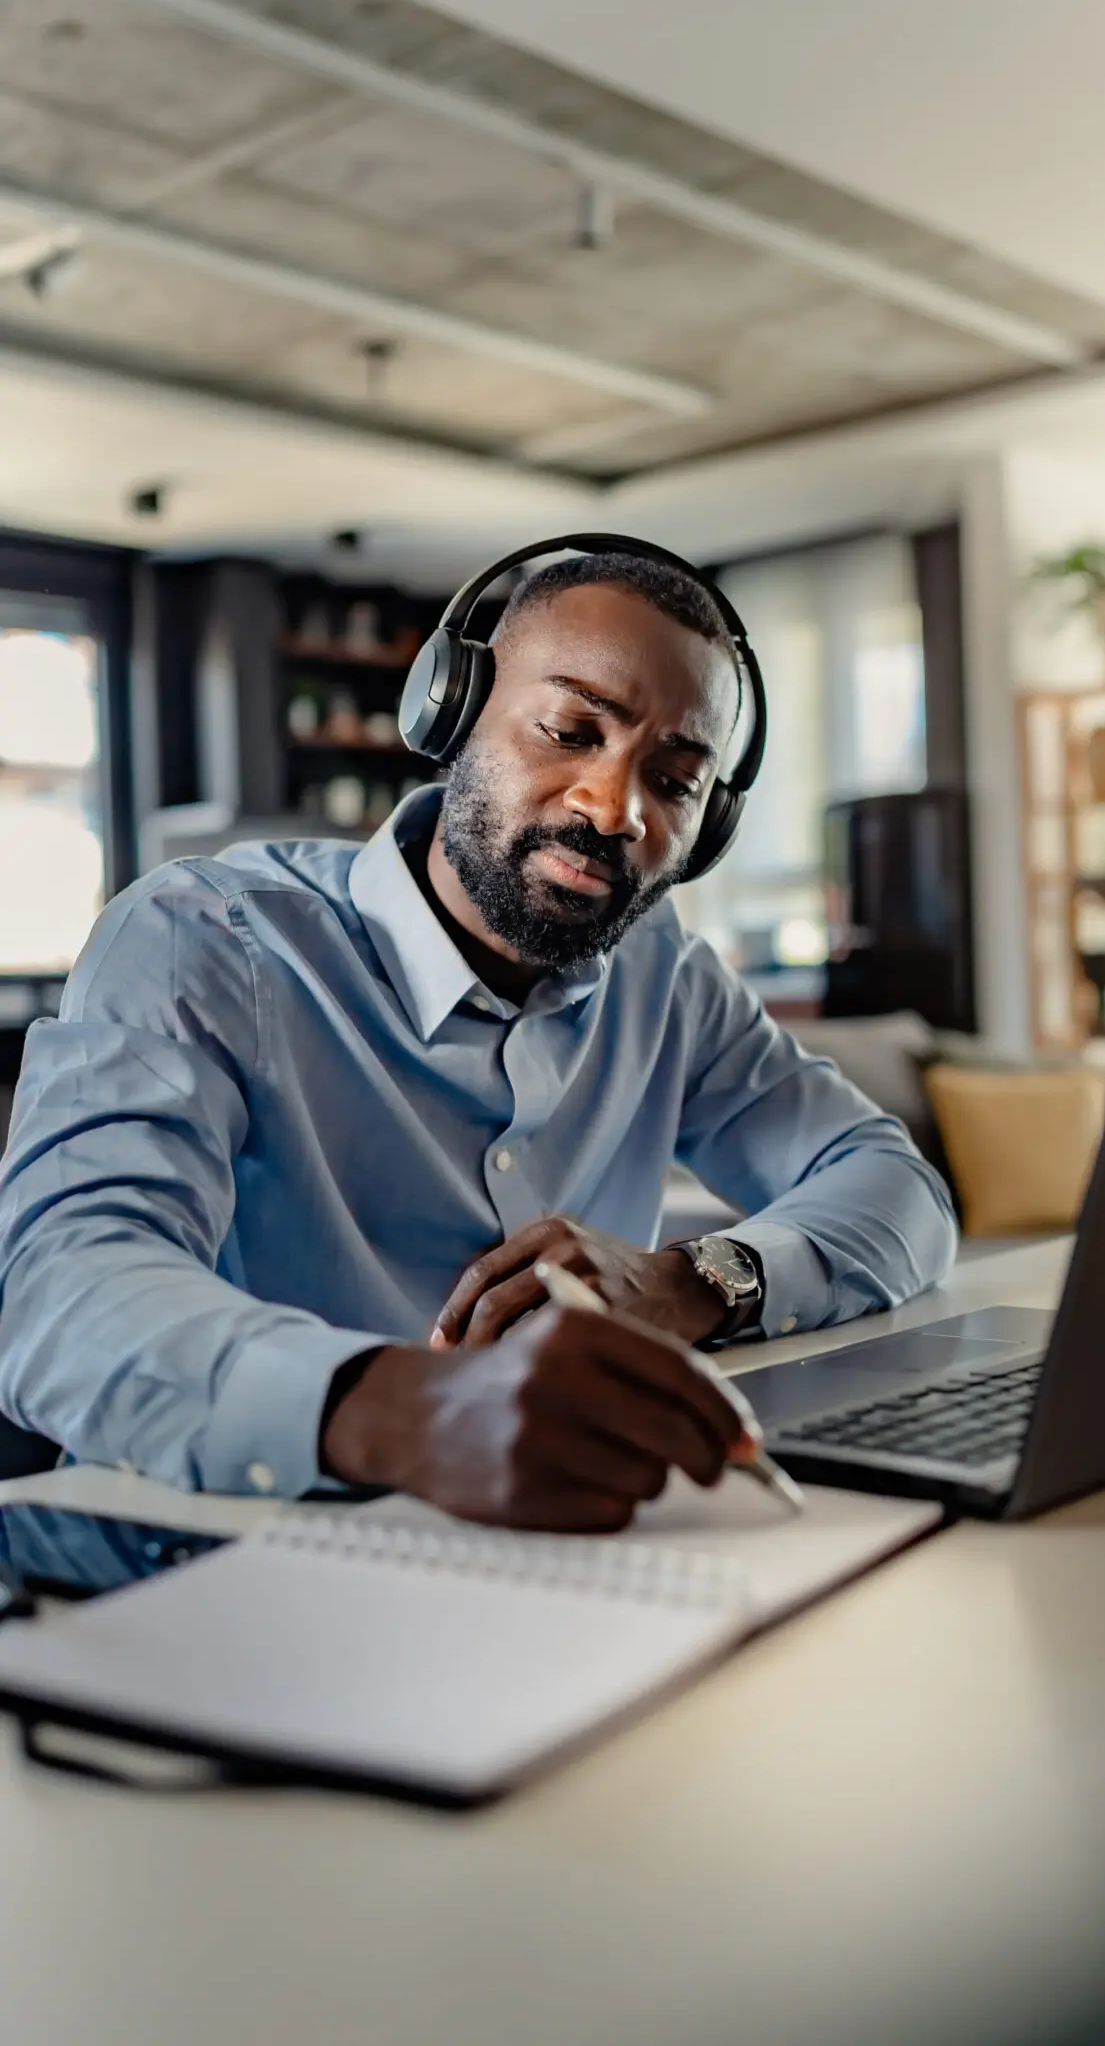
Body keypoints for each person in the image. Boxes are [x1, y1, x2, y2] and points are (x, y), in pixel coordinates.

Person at [0, 549, 956, 1530]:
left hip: (560, 1560)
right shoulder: (205, 940)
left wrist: (691, 1282)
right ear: (452, 714)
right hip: (208, 1565)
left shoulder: (661, 977)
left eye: (673, 779)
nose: (613, 807)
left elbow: (897, 1188)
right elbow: (60, 1294)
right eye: (570, 730)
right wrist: (410, 1410)